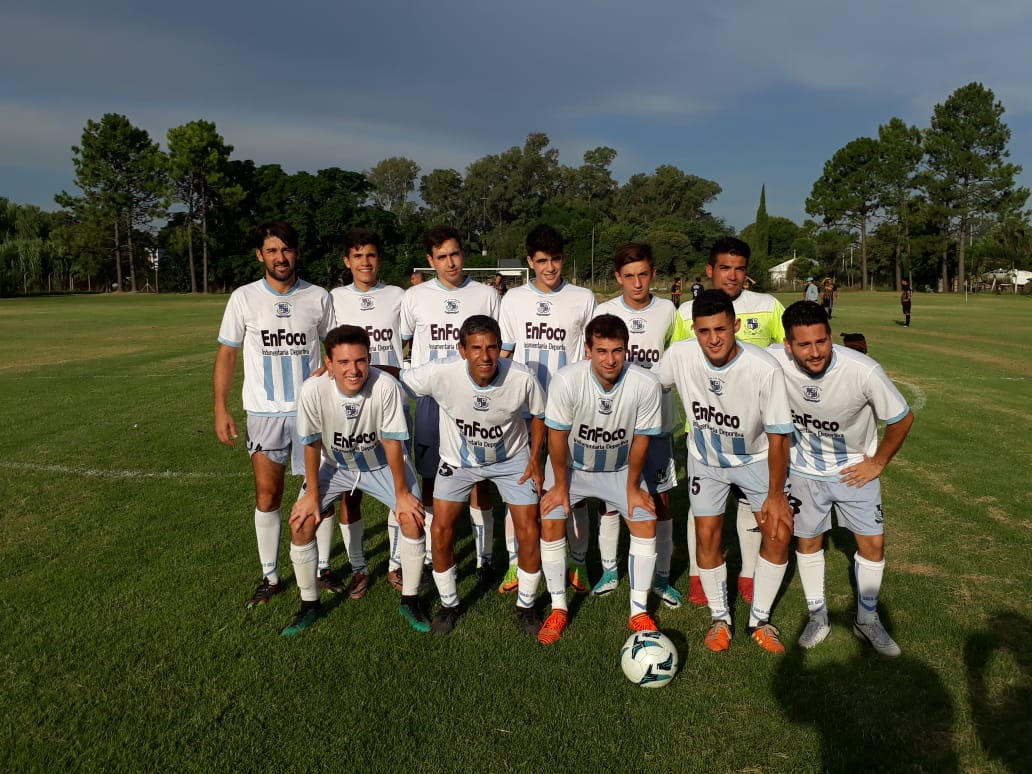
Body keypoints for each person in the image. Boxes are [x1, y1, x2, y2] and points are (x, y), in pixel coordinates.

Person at [658, 290, 795, 654]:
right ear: (694, 330)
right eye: (704, 331)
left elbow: (779, 437)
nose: (713, 339)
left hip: (756, 459)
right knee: (707, 537)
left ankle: (759, 620)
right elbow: (650, 385)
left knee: (778, 532)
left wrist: (776, 495)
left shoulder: (764, 368)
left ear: (735, 325)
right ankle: (720, 618)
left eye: (720, 329)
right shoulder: (680, 355)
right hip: (706, 461)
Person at [774, 301, 914, 655]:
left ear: (831, 336)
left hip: (855, 472)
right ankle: (817, 616)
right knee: (808, 543)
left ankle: (867, 619)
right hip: (804, 471)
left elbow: (902, 418)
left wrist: (878, 463)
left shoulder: (862, 371)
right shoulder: (774, 361)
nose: (815, 352)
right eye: (804, 345)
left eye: (821, 341)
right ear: (788, 345)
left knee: (873, 544)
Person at [400, 316, 546, 635]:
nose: (485, 356)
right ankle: (449, 603)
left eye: (492, 347)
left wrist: (535, 459)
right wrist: (349, 371)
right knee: (440, 529)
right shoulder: (440, 372)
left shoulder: (522, 377)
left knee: (529, 529)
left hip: (511, 459)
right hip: (458, 462)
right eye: (476, 348)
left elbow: (539, 414)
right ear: (462, 350)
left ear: (500, 348)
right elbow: (398, 378)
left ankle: (526, 605)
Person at [214, 221, 334, 608]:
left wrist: (328, 377)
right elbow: (228, 353)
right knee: (268, 495)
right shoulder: (244, 298)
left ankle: (323, 568)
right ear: (259, 255)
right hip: (264, 413)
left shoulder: (318, 296)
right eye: (272, 251)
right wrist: (221, 407)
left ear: (296, 252)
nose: (280, 257)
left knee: (320, 493)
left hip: (311, 412)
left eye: (286, 250)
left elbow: (334, 348)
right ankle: (270, 576)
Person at [286, 326, 427, 635]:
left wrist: (402, 494)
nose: (353, 370)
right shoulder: (312, 389)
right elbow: (311, 443)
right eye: (344, 362)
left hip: (381, 465)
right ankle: (309, 603)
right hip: (336, 466)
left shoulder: (386, 386)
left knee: (413, 520)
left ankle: (411, 600)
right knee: (301, 523)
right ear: (329, 363)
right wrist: (311, 494)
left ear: (369, 358)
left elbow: (393, 443)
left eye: (360, 360)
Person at [672, 237, 787, 608]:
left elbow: (791, 349)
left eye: (739, 269)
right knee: (702, 510)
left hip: (753, 434)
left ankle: (749, 573)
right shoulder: (686, 312)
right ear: (710, 270)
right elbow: (678, 360)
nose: (733, 276)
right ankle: (697, 573)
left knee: (749, 506)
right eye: (725, 268)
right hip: (705, 430)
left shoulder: (767, 306)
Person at [537, 314, 663, 644]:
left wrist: (633, 488)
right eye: (602, 351)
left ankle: (638, 611)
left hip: (620, 469)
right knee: (551, 520)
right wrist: (560, 486)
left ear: (626, 349)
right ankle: (558, 608)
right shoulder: (566, 380)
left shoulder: (645, 383)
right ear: (588, 350)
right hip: (571, 469)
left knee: (645, 519)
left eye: (617, 351)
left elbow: (641, 440)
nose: (610, 360)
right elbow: (556, 437)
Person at [498, 224, 597, 594]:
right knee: (520, 486)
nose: (550, 267)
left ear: (563, 259)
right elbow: (505, 353)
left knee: (573, 488)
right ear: (530, 262)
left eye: (555, 259)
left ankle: (578, 561)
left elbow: (589, 354)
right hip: (523, 410)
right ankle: (516, 562)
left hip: (569, 409)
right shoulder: (513, 300)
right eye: (542, 261)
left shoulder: (583, 298)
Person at [401, 226, 500, 584]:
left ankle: (484, 558)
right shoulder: (415, 297)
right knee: (431, 478)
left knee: (479, 479)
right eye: (441, 257)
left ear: (463, 253)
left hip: (476, 400)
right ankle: (431, 555)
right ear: (430, 261)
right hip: (431, 401)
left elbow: (500, 346)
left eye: (455, 254)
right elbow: (401, 343)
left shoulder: (486, 295)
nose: (450, 262)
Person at [593, 243, 683, 608]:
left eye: (643, 274)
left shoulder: (668, 311)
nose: (637, 283)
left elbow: (676, 359)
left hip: (657, 419)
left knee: (660, 498)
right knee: (610, 499)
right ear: (618, 277)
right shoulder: (604, 312)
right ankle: (609, 569)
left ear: (653, 273)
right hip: (614, 422)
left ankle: (661, 576)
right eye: (629, 276)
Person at [329, 228, 406, 593]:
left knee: (399, 483)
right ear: (347, 261)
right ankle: (358, 566)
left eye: (371, 255)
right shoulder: (335, 299)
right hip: (347, 407)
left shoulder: (398, 296)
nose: (365, 262)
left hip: (390, 403)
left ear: (379, 259)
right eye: (358, 256)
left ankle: (396, 564)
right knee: (350, 490)